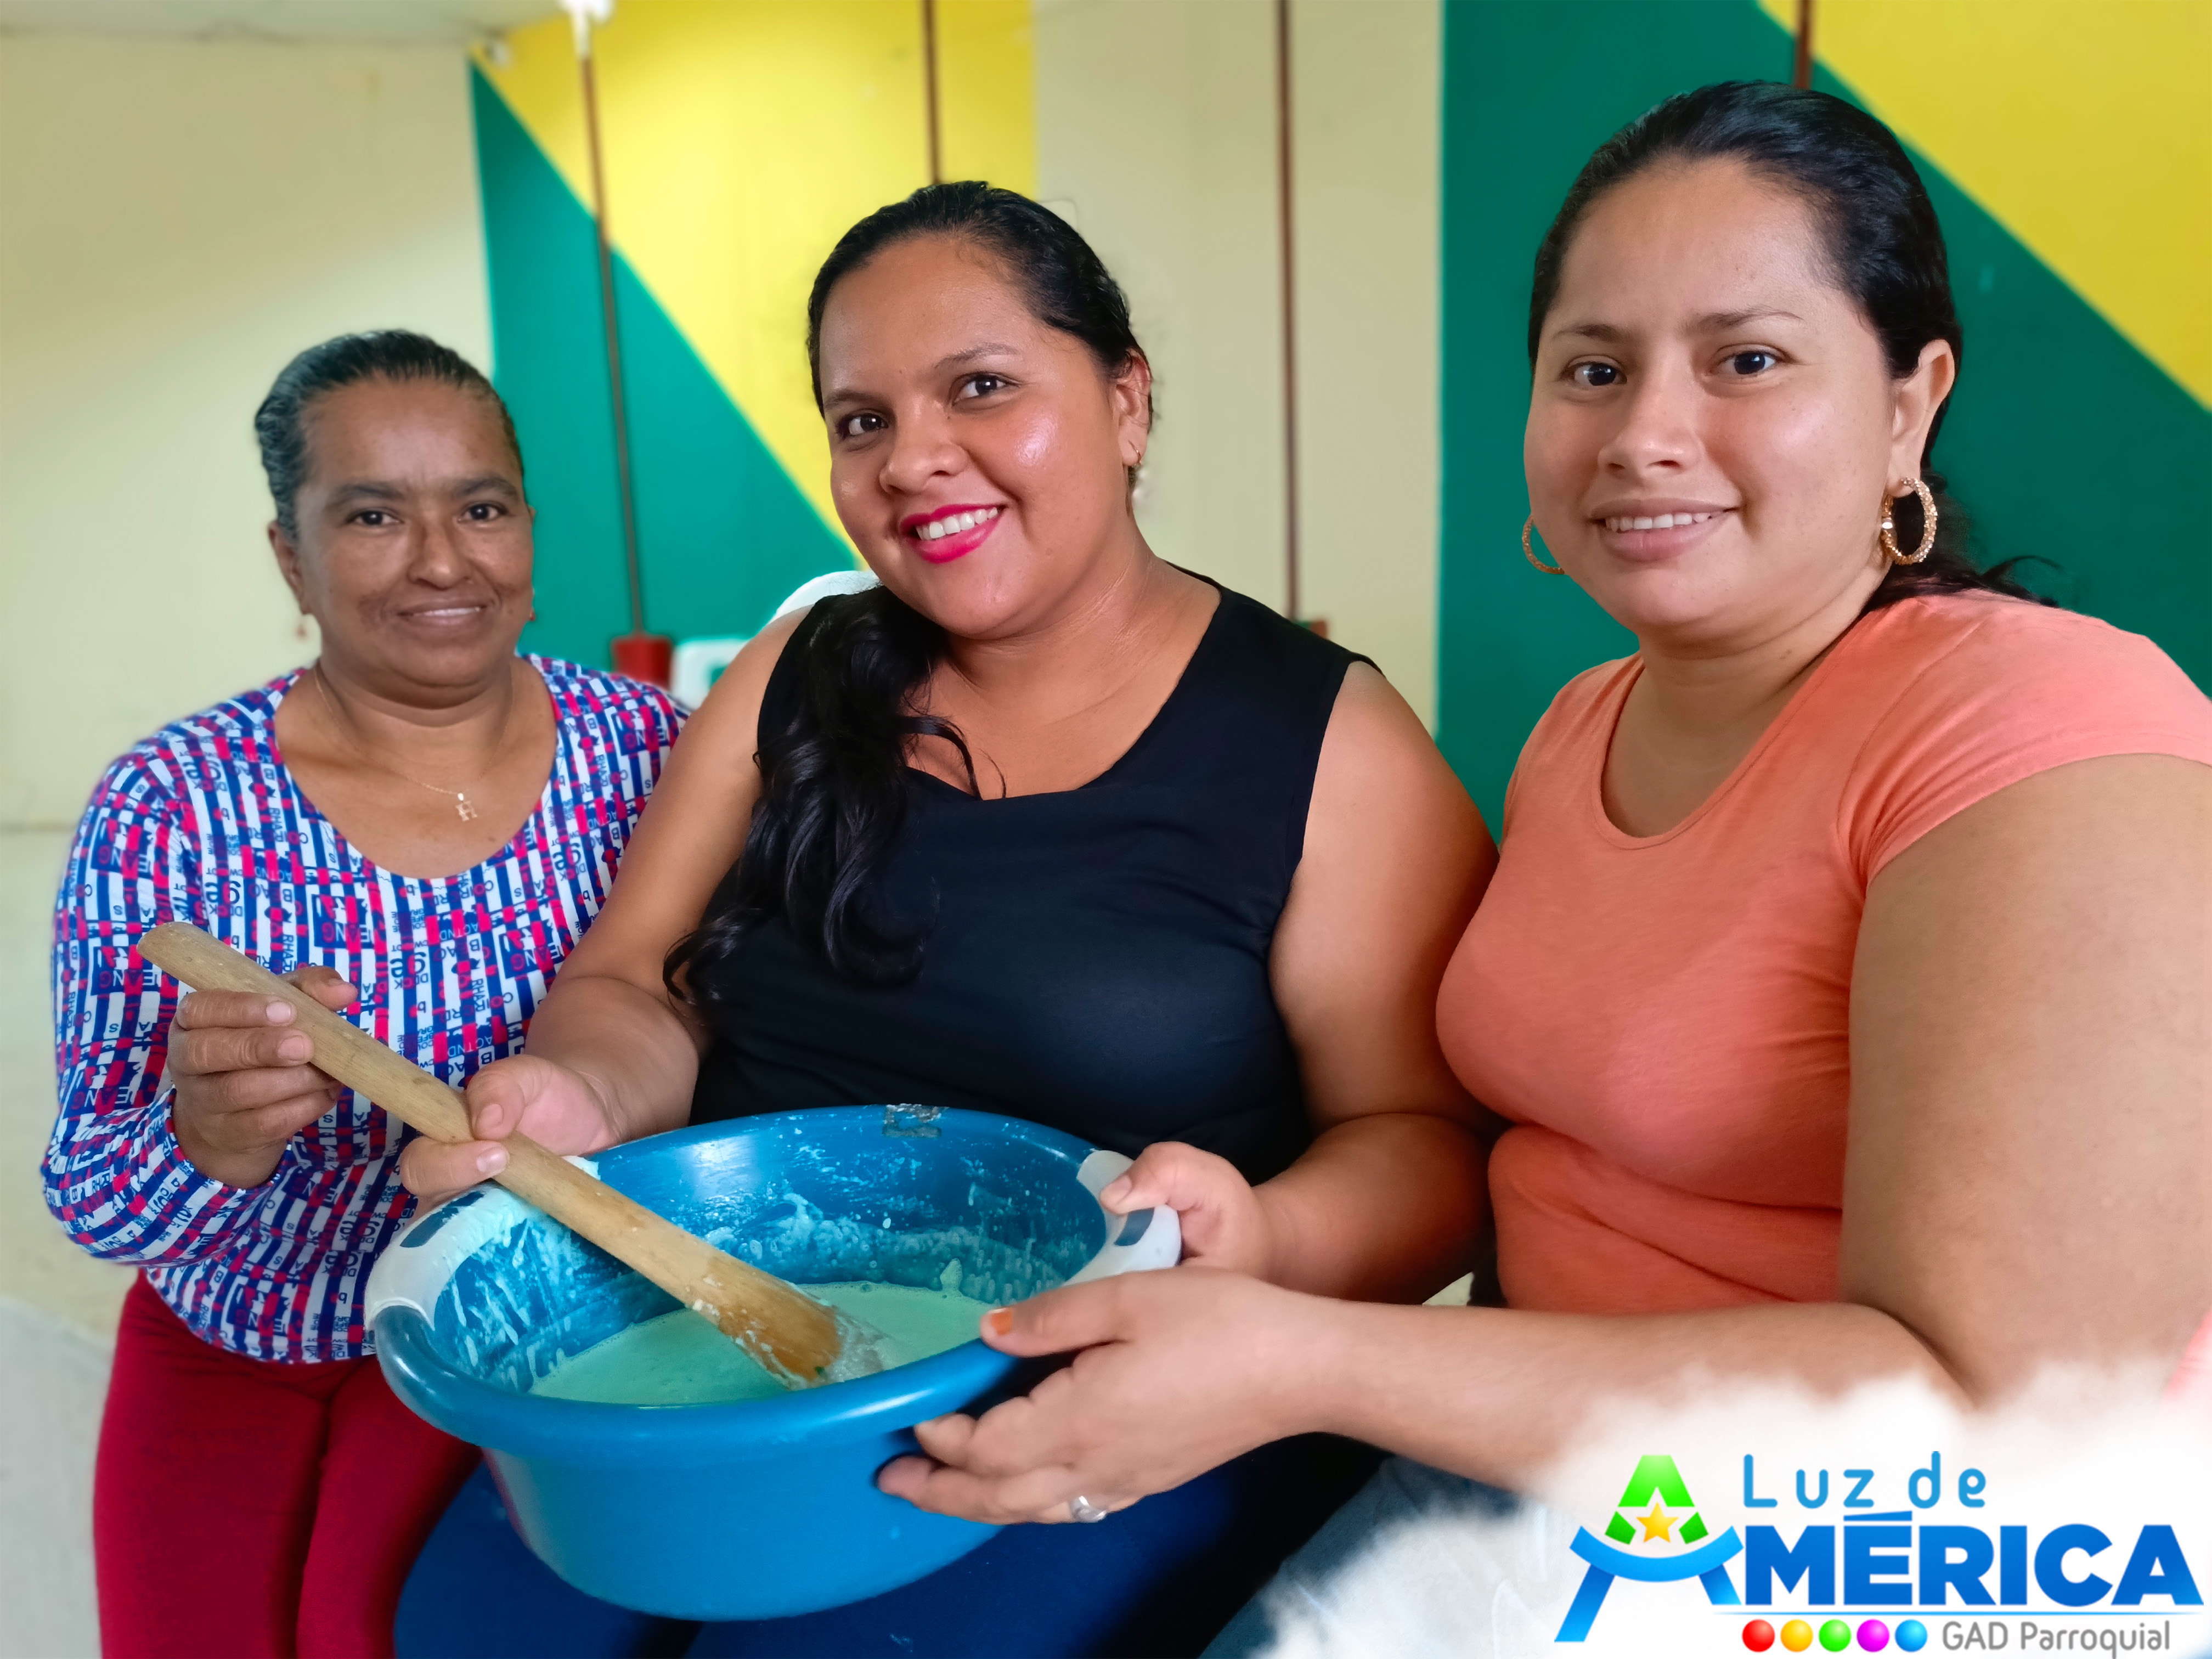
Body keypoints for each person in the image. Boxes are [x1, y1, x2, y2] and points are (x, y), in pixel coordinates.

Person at [865, 83, 2212, 1649]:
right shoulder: (1584, 726)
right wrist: (1264, 1239)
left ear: (1910, 404)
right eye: (1594, 368)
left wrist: (1307, 1358)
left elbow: (2009, 1419)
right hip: (1526, 1467)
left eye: (1747, 360)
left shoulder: (2043, 728)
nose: (1643, 435)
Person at [399, 182, 1496, 1656]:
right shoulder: (796, 672)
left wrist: (1268, 1232)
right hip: (736, 1342)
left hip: (1101, 1393)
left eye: (980, 387)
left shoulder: (1331, 746)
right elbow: (636, 984)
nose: (912, 460)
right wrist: (578, 1092)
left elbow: (1429, 1147)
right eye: (861, 420)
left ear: (1126, 400)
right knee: (467, 1626)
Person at [44, 331, 684, 1659]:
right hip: (225, 1338)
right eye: (374, 516)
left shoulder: (647, 757)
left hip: (500, 1329)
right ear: (292, 556)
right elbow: (90, 1196)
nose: (443, 561)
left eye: (482, 508)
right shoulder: (169, 807)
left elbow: (727, 1035)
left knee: (370, 1635)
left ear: (529, 529)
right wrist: (204, 1138)